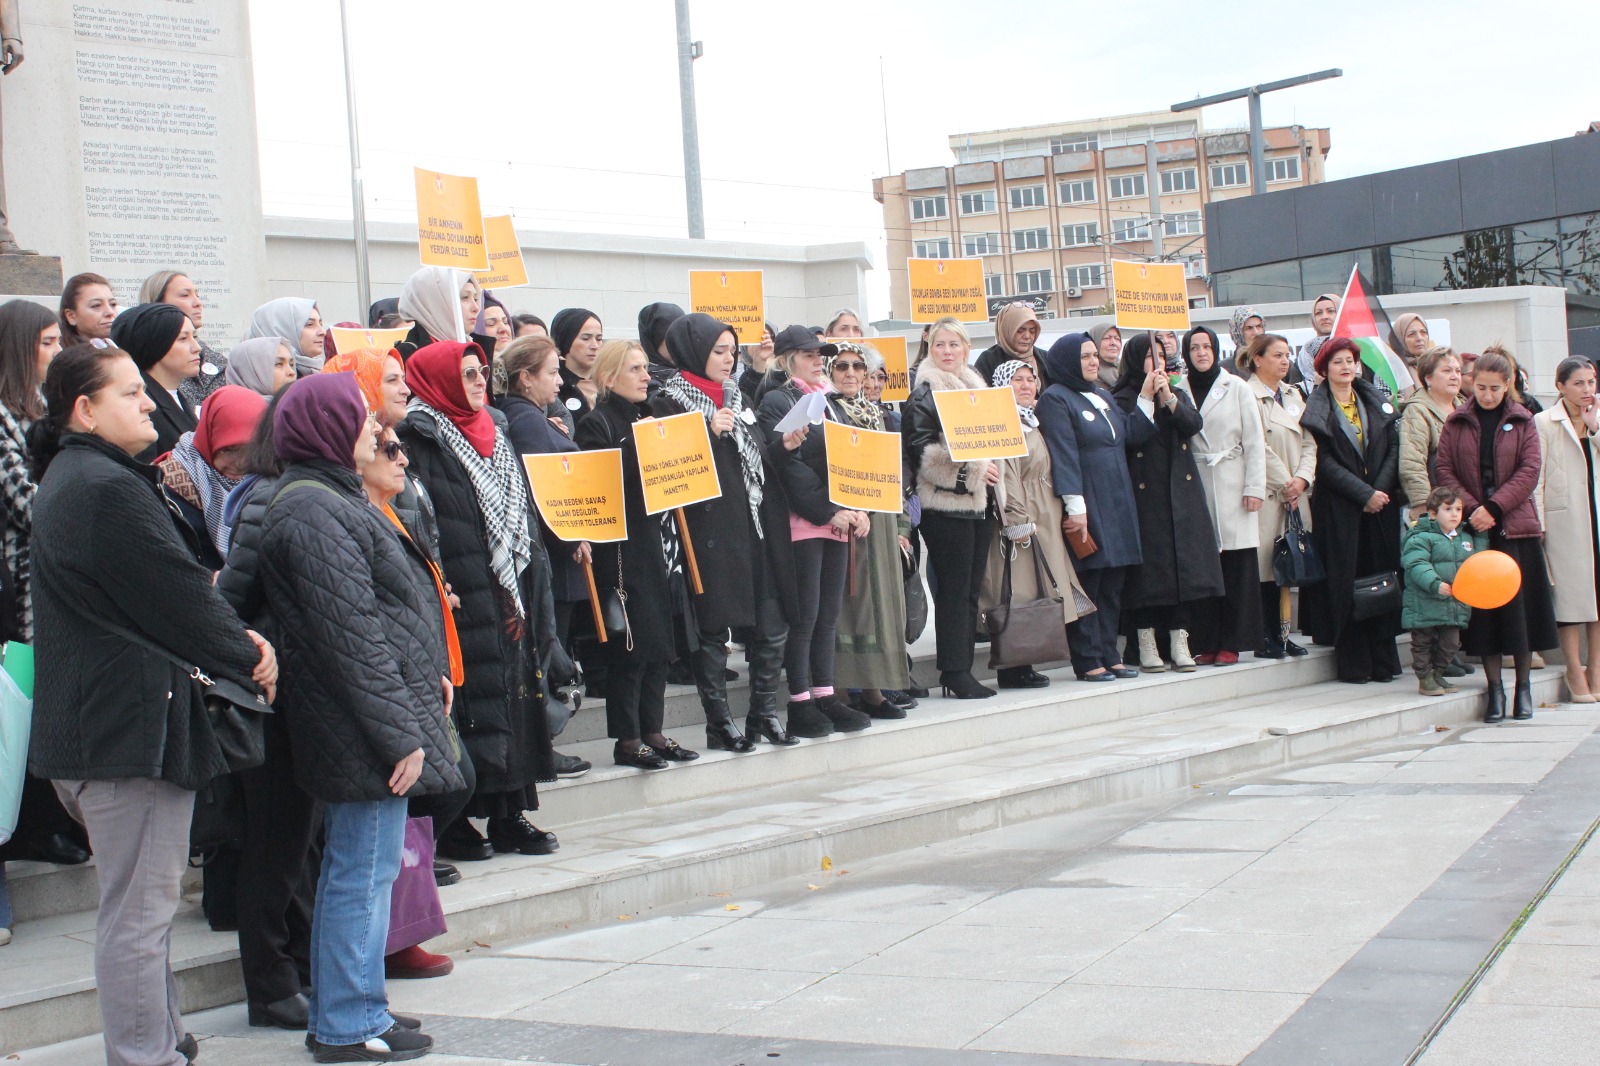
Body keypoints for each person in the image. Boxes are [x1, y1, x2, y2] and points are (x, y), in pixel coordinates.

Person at [29, 342, 275, 1066]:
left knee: (140, 911)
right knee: (137, 917)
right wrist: (249, 653)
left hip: (100, 730)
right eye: (131, 393)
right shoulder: (103, 487)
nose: (148, 403)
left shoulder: (78, 476)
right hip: (122, 736)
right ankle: (145, 1055)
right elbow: (175, 595)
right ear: (86, 409)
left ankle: (163, 1037)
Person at [254, 373, 459, 1061]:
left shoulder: (331, 499)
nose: (376, 432)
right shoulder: (312, 508)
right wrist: (398, 732)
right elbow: (351, 635)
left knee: (368, 874)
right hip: (358, 726)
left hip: (367, 718)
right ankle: (345, 1022)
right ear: (325, 427)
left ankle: (362, 1006)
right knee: (358, 874)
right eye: (361, 419)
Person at [400, 340, 562, 856]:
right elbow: (425, 518)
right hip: (465, 592)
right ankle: (459, 821)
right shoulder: (421, 435)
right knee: (475, 707)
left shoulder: (496, 428)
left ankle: (511, 814)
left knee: (514, 701)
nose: (477, 381)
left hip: (508, 588)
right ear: (440, 380)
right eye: (467, 373)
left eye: (481, 372)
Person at [653, 314, 804, 745]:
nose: (728, 359)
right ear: (694, 352)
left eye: (731, 351)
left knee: (773, 624)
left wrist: (782, 446)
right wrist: (705, 433)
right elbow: (673, 473)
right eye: (718, 351)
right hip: (712, 534)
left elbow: (753, 463)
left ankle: (761, 714)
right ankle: (718, 721)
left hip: (757, 527)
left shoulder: (737, 397)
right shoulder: (668, 401)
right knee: (714, 629)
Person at [360, 423, 465, 981]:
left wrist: (436, 669)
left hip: (422, 676)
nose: (403, 458)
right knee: (417, 797)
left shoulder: (393, 511)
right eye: (389, 449)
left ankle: (405, 932)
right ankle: (393, 941)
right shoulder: (353, 514)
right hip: (389, 687)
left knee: (444, 787)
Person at [577, 341, 707, 765]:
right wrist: (644, 441)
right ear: (611, 376)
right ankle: (628, 740)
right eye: (635, 369)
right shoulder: (598, 423)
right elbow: (606, 481)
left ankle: (654, 730)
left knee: (660, 648)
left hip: (663, 543)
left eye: (645, 369)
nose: (646, 377)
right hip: (624, 551)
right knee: (632, 650)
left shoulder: (650, 415)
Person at [759, 326, 875, 725]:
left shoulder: (828, 401)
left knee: (828, 615)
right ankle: (800, 700)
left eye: (819, 354)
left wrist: (859, 508)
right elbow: (789, 467)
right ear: (788, 358)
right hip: (803, 522)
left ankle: (825, 694)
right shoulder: (777, 399)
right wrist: (828, 511)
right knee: (805, 616)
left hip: (836, 519)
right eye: (809, 355)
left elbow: (849, 459)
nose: (818, 361)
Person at [1436, 349, 1558, 721]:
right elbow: (1444, 469)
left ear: (1508, 386)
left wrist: (1496, 507)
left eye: (1495, 388)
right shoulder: (1457, 421)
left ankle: (1523, 689)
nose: (1487, 395)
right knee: (1485, 613)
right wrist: (1474, 509)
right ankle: (1495, 692)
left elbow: (1529, 471)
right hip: (1476, 527)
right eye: (1481, 387)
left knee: (1519, 612)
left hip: (1515, 526)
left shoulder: (1523, 421)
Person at [1037, 332, 1155, 681]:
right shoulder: (1056, 399)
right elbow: (1064, 453)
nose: (1091, 361)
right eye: (1084, 356)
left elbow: (1130, 434)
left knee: (1113, 580)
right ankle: (1087, 658)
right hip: (1087, 501)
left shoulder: (1101, 395)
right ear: (1067, 361)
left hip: (1117, 499)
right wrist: (1076, 507)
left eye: (1093, 355)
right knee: (1090, 579)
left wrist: (1147, 396)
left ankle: (1109, 653)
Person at [901, 317, 1001, 699]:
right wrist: (975, 472)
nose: (946, 351)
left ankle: (961, 668)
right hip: (944, 506)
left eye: (953, 345)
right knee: (954, 591)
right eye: (939, 344)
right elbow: (923, 454)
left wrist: (991, 476)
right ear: (930, 348)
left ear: (966, 349)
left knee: (971, 590)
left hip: (979, 505)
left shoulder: (978, 389)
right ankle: (954, 672)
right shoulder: (924, 393)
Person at [1113, 333, 1222, 673]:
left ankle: (1179, 638)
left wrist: (1169, 399)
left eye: (1161, 355)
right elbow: (1132, 436)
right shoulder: (1121, 397)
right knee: (1150, 573)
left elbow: (1192, 424)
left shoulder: (1175, 391)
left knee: (1183, 568)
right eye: (1149, 356)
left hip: (1180, 493)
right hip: (1145, 496)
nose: (1157, 363)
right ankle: (1145, 640)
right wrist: (1146, 397)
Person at [1300, 337, 1404, 684]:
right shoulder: (1318, 409)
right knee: (1348, 583)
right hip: (1341, 509)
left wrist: (1380, 490)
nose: (1346, 368)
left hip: (1380, 507)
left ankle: (1383, 662)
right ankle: (1355, 663)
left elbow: (1392, 447)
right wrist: (1363, 494)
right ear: (1324, 370)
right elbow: (1324, 462)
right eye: (1338, 362)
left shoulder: (1376, 401)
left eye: (1350, 361)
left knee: (1381, 580)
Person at [980, 359, 1086, 688]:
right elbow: (1006, 475)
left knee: (1040, 587)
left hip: (1045, 513)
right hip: (1024, 519)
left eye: (1031, 379)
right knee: (1019, 590)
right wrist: (1016, 519)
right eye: (1017, 380)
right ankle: (1013, 665)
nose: (1026, 385)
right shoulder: (1004, 422)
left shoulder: (1030, 420)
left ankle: (1024, 663)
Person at [825, 341, 914, 713]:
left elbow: (892, 474)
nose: (850, 373)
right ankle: (845, 690)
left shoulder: (877, 414)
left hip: (880, 520)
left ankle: (876, 689)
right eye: (841, 366)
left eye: (857, 367)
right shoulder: (826, 410)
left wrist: (903, 524)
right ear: (829, 371)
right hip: (847, 522)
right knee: (853, 604)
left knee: (882, 604)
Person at [1183, 325, 1266, 666]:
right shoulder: (1179, 389)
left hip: (1233, 483)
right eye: (1194, 348)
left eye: (1207, 347)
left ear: (1216, 350)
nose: (1201, 353)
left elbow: (1255, 441)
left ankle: (1232, 640)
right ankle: (1207, 640)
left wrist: (1254, 487)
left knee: (1236, 568)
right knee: (1204, 570)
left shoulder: (1237, 387)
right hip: (1197, 483)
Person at [1239, 332, 1316, 659]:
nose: (1285, 361)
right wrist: (1286, 482)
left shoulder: (1294, 395)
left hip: (1296, 494)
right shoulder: (1247, 394)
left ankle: (1284, 633)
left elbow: (1311, 442)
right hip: (1270, 494)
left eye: (1287, 356)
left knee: (1289, 567)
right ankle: (1264, 635)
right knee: (1267, 569)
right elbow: (1257, 445)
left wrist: (1302, 479)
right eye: (1277, 355)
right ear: (1258, 359)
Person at [1536, 356, 1600, 703]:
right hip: (1566, 520)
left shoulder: (1598, 418)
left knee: (1598, 597)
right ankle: (1575, 671)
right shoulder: (1544, 422)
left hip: (1598, 518)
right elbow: (1537, 478)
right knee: (1571, 600)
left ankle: (1597, 669)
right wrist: (1540, 525)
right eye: (1578, 383)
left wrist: (1594, 427)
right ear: (1560, 386)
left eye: (1591, 381)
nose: (1587, 389)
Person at [158, 385, 266, 564]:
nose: (239, 463)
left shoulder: (266, 480)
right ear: (209, 438)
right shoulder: (173, 482)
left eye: (250, 452)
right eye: (229, 450)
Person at [1401, 487, 1480, 696]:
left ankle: (1437, 673)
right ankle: (1424, 676)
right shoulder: (1420, 537)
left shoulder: (1465, 539)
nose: (1454, 514)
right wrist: (1435, 583)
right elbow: (1416, 563)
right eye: (1448, 509)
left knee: (1451, 643)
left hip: (1453, 603)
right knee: (1422, 642)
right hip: (1424, 601)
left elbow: (1478, 559)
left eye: (1458, 509)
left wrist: (1482, 533)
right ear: (1433, 514)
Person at [109, 302, 200, 461]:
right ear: (155, 345)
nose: (197, 347)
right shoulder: (144, 408)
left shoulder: (175, 395)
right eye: (183, 338)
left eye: (195, 336)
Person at [140, 271, 227, 405]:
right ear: (157, 303)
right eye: (185, 295)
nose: (197, 303)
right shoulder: (144, 367)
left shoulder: (216, 359)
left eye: (197, 295)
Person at [1399, 347, 1464, 520]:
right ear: (1428, 378)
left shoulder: (1465, 409)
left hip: (1465, 503)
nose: (1455, 376)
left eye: (1458, 371)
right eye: (1447, 371)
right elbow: (1412, 462)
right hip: (1437, 507)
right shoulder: (1417, 411)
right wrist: (1423, 505)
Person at [397, 266, 483, 359]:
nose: (476, 308)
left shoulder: (475, 350)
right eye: (465, 297)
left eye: (475, 299)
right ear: (435, 302)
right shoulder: (406, 356)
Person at [974, 302, 1050, 388]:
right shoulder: (987, 360)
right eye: (1020, 330)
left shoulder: (1046, 358)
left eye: (1032, 331)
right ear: (1007, 330)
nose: (1027, 336)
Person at [247, 297, 326, 378]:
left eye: (320, 324)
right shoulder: (266, 380)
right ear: (281, 329)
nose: (323, 332)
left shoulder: (320, 370)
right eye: (309, 324)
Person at [550, 307, 604, 422]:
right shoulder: (554, 385)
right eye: (586, 338)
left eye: (599, 339)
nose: (594, 346)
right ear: (566, 340)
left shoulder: (611, 382)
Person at [58, 273, 118, 349]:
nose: (110, 312)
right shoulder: (60, 358)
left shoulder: (130, 349)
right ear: (71, 316)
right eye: (96, 305)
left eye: (113, 304)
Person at [225, 336, 298, 399]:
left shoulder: (299, 409)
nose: (292, 372)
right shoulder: (235, 413)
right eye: (279, 364)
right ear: (252, 372)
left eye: (291, 364)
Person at [637, 301, 686, 388]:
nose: (679, 342)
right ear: (654, 338)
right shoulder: (641, 383)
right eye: (672, 336)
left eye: (683, 335)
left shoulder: (695, 374)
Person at [1294, 293, 1340, 385]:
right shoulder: (1305, 355)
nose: (1324, 317)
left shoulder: (1359, 348)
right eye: (1318, 313)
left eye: (1330, 311)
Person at [1389, 312, 1431, 388]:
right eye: (1411, 334)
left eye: (1423, 332)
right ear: (1399, 339)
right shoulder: (1390, 371)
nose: (1419, 338)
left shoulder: (1436, 366)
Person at [738, 322, 777, 404]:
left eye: (768, 338)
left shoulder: (785, 373)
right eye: (754, 339)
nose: (761, 343)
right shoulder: (745, 378)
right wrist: (759, 365)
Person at [1088, 322, 1122, 391]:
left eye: (1117, 338)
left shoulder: (1126, 371)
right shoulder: (1088, 377)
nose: (1113, 343)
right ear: (1094, 342)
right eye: (1106, 338)